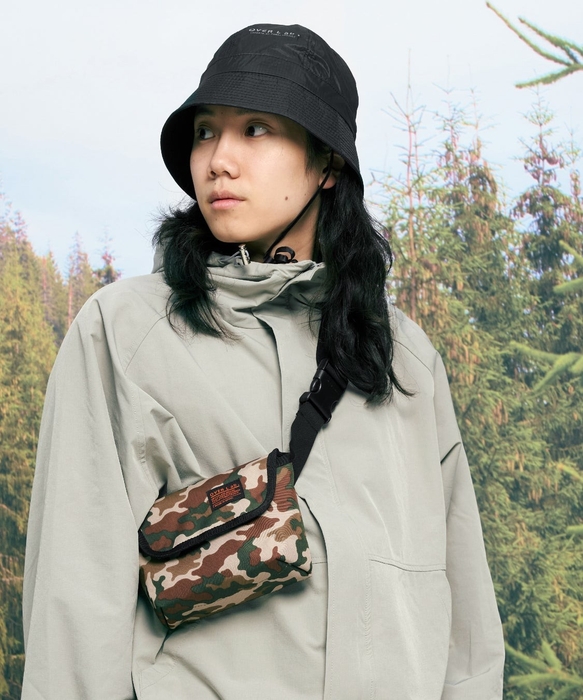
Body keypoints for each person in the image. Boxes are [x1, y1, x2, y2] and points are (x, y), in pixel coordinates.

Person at [22, 23, 505, 700]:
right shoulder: (127, 331)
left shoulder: (403, 359)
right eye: (205, 132)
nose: (218, 160)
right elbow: (75, 602)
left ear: (327, 163)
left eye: (255, 129)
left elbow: (464, 622)